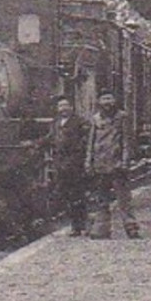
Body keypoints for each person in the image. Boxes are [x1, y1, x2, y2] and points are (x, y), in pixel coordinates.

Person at [84, 92, 140, 239]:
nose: (107, 102)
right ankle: (101, 229)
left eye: (110, 98)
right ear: (99, 101)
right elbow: (91, 141)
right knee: (101, 199)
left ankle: (131, 227)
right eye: (104, 99)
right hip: (100, 163)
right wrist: (88, 161)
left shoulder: (122, 117)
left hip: (117, 164)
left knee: (123, 199)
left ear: (115, 100)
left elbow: (127, 141)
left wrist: (125, 161)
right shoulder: (95, 119)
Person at [49, 97, 90, 236]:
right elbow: (50, 138)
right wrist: (35, 144)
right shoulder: (56, 123)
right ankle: (75, 224)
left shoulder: (79, 122)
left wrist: (78, 156)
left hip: (74, 163)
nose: (63, 108)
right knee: (66, 194)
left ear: (71, 107)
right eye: (60, 106)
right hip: (60, 163)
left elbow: (86, 140)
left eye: (66, 105)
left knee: (77, 194)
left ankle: (81, 225)